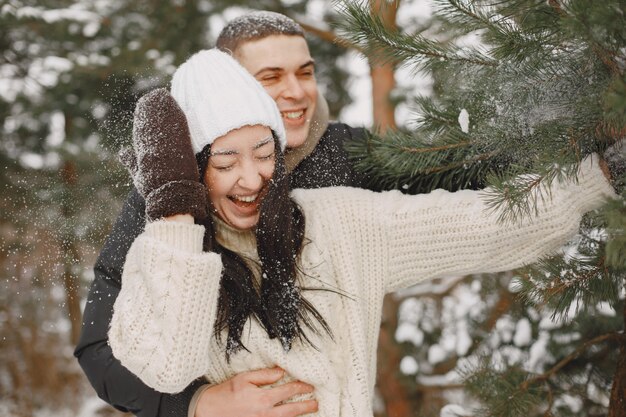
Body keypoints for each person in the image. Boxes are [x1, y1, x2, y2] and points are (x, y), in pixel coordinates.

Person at [107, 49, 619, 417]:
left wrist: (597, 178)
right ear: (191, 169)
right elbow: (166, 369)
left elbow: (480, 223)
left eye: (265, 155)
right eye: (225, 161)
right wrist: (175, 213)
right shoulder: (160, 256)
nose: (251, 178)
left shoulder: (338, 223)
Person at [74, 11, 370, 417]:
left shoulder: (348, 153)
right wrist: (197, 403)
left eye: (304, 73)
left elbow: (457, 180)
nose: (296, 92)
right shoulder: (172, 193)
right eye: (270, 78)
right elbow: (98, 349)